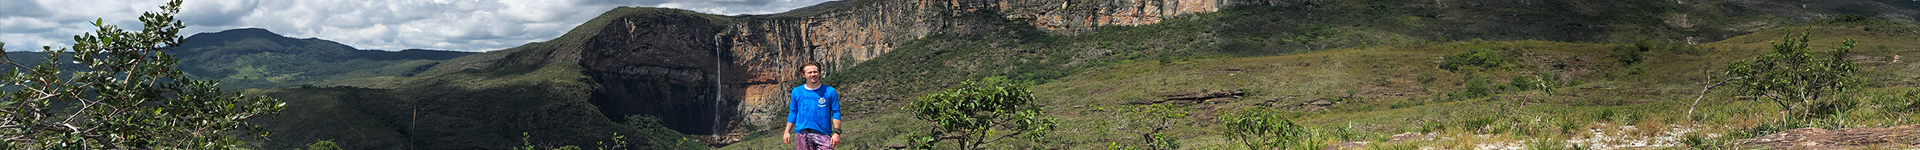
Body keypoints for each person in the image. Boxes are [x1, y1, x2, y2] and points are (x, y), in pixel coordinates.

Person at [784, 62, 840, 150]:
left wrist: (837, 133)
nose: (813, 74)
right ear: (803, 74)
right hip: (802, 134)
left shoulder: (830, 91)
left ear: (820, 73)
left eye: (815, 72)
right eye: (809, 72)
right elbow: (793, 112)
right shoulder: (796, 91)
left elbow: (836, 112)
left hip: (823, 134)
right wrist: (787, 131)